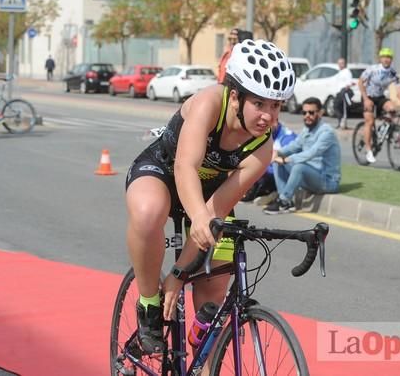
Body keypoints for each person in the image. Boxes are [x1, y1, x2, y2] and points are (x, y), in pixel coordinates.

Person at [125, 39, 295, 354]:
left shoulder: (262, 148)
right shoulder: (208, 103)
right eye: (260, 104)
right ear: (235, 97)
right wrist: (200, 219)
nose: (269, 117)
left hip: (208, 196)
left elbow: (217, 206)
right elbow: (184, 166)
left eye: (276, 106)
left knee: (215, 280)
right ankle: (148, 305)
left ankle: (200, 356)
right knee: (149, 213)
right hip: (163, 172)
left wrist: (179, 274)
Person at [263, 97, 341, 214]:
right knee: (276, 161)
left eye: (311, 112)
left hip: (328, 181)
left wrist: (287, 159)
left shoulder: (327, 132)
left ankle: (284, 201)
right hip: (311, 176)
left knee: (298, 166)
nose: (307, 116)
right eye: (304, 113)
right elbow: (294, 146)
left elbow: (312, 153)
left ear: (320, 113)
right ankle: (284, 199)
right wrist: (277, 153)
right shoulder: (307, 129)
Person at [358, 47, 400, 164]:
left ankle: (383, 130)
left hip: (380, 97)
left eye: (389, 58)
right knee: (370, 121)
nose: (386, 60)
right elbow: (360, 82)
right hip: (368, 96)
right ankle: (368, 150)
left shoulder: (392, 72)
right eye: (384, 57)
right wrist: (365, 99)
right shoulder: (373, 69)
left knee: (392, 109)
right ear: (380, 58)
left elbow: (399, 90)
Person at [241, 119, 297, 203]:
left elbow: (285, 164)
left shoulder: (287, 138)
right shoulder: (265, 134)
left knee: (261, 168)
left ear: (275, 122)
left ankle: (272, 195)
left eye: (267, 124)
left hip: (286, 174)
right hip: (271, 171)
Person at [333, 57, 354, 129]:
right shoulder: (340, 72)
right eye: (339, 63)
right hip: (338, 92)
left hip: (343, 92)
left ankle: (342, 123)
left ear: (344, 64)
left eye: (342, 63)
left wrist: (345, 89)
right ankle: (340, 122)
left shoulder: (347, 72)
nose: (340, 65)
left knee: (340, 107)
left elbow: (349, 82)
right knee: (337, 107)